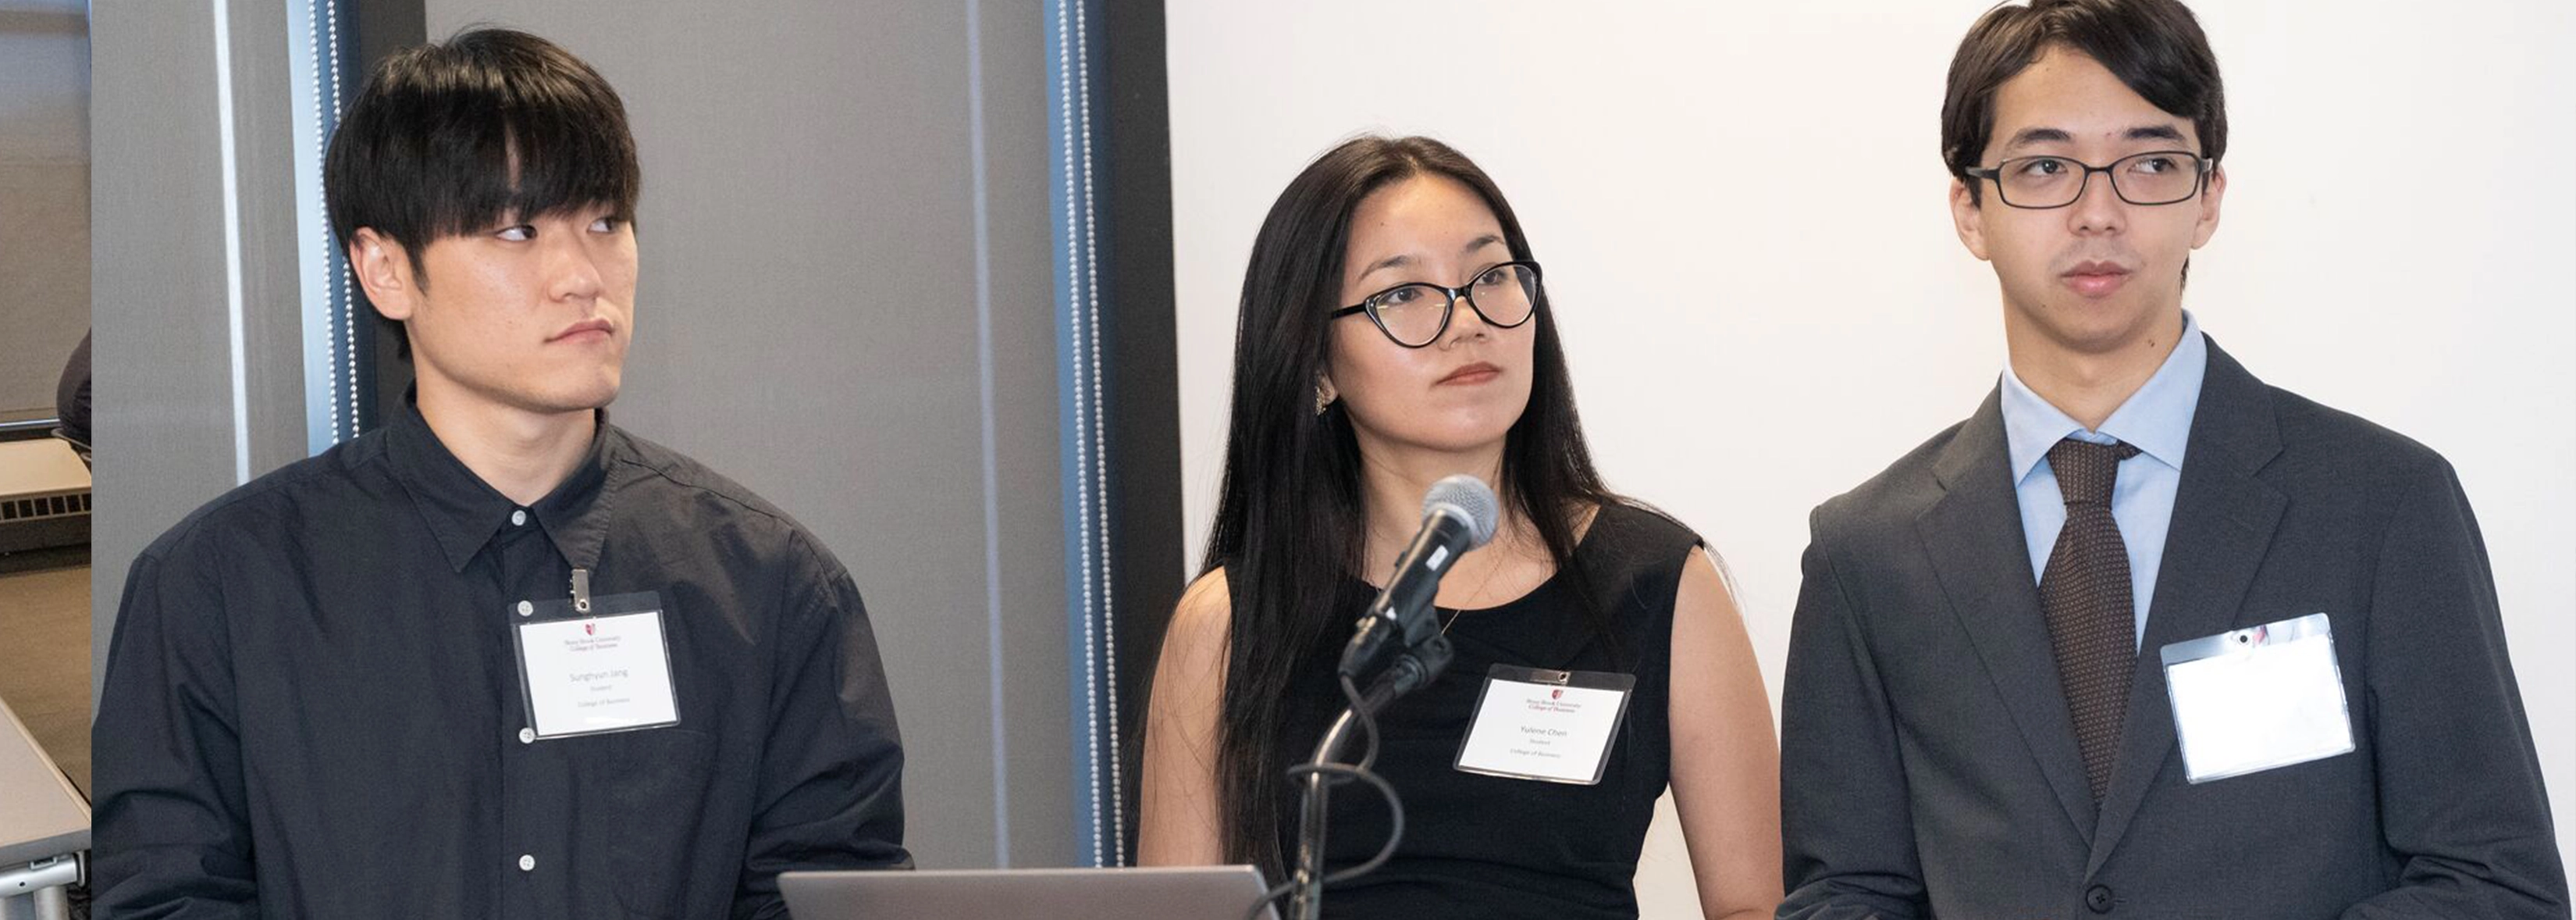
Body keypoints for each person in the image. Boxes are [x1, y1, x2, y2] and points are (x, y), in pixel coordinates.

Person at [91, 28, 908, 918]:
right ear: (386, 269)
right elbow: (166, 897)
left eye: (604, 221)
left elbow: (824, 892)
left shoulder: (772, 585)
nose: (581, 276)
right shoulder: (217, 587)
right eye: (517, 230)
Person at [1777, 1, 2567, 916]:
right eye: (2044, 166)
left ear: (2209, 199)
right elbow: (1849, 890)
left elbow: (2496, 883)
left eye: (2151, 163)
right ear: (1970, 208)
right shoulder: (1868, 550)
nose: (2098, 212)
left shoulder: (2382, 505)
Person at [1137, 135, 1781, 919]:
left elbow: (1757, 902)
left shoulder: (1660, 584)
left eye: (1491, 277)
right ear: (1317, 367)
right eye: (1404, 293)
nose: (1466, 320)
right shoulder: (1229, 623)